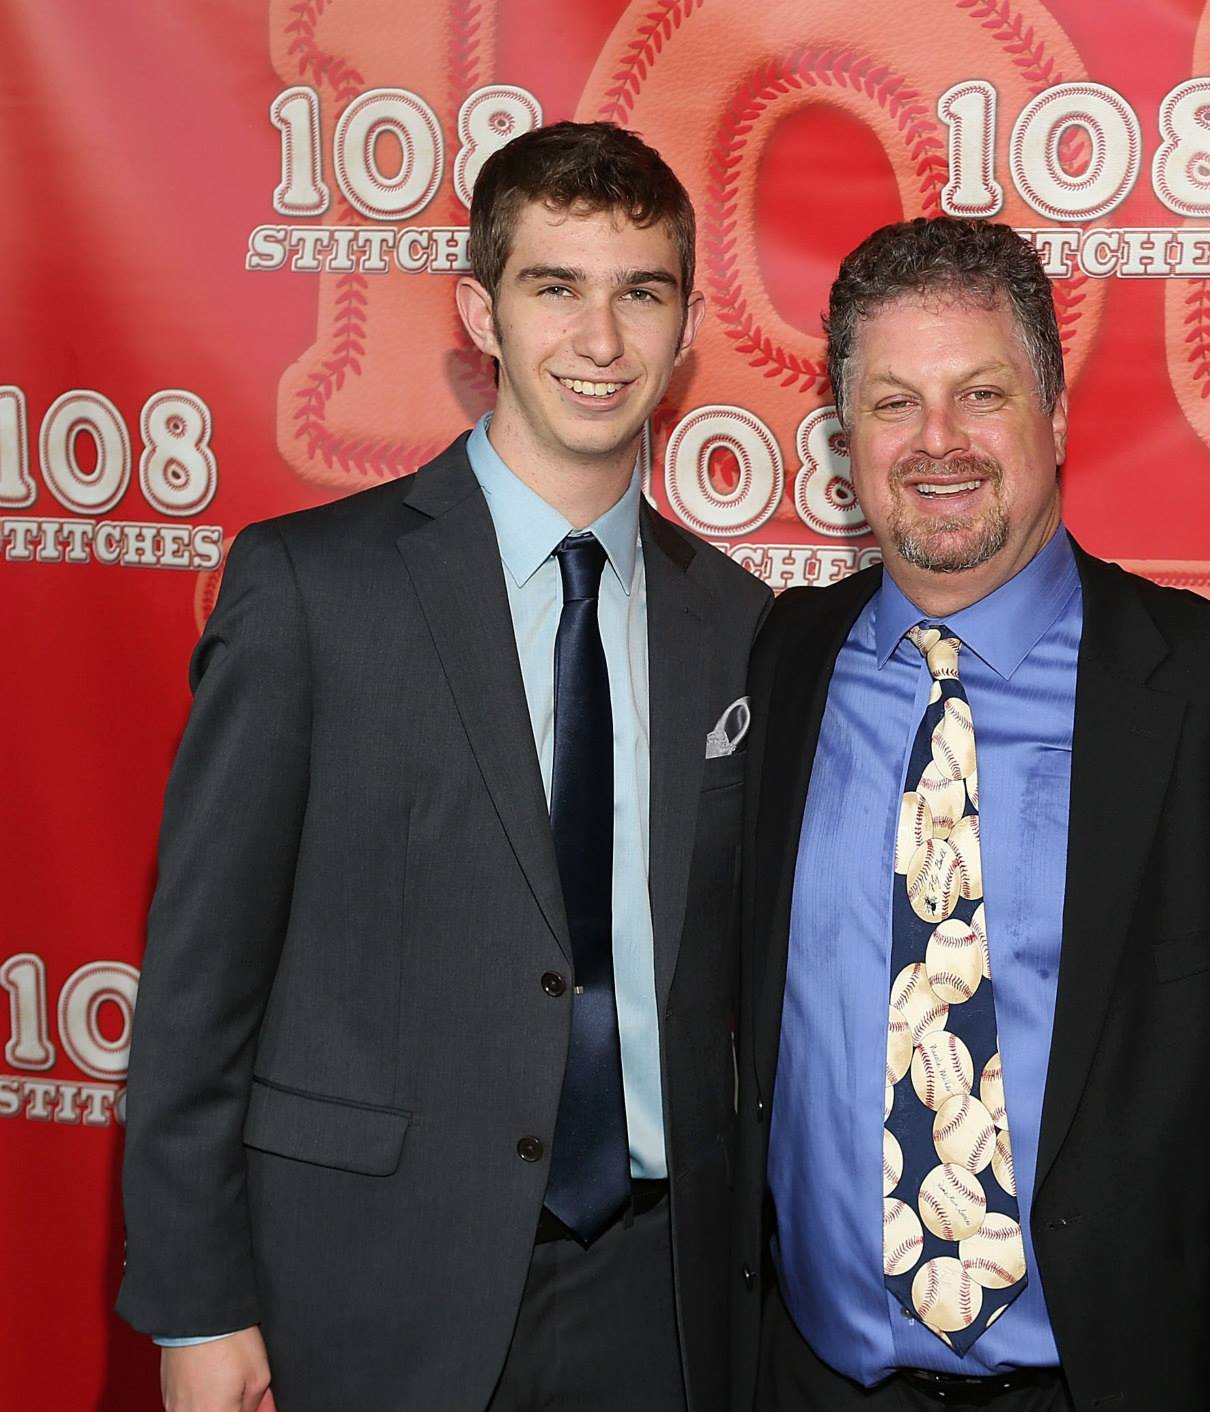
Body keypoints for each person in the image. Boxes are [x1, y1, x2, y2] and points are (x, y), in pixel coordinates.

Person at [117, 121, 768, 1412]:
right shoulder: (311, 590)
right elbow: (198, 994)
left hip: (663, 1301)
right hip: (367, 1290)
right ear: (480, 311)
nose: (599, 341)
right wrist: (197, 1309)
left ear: (686, 327)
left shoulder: (743, 624)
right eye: (555, 288)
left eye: (640, 294)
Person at [729, 216, 1210, 1411]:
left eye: (978, 393)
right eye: (892, 404)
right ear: (844, 440)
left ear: (1052, 413)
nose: (937, 443)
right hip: (813, 1381)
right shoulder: (783, 660)